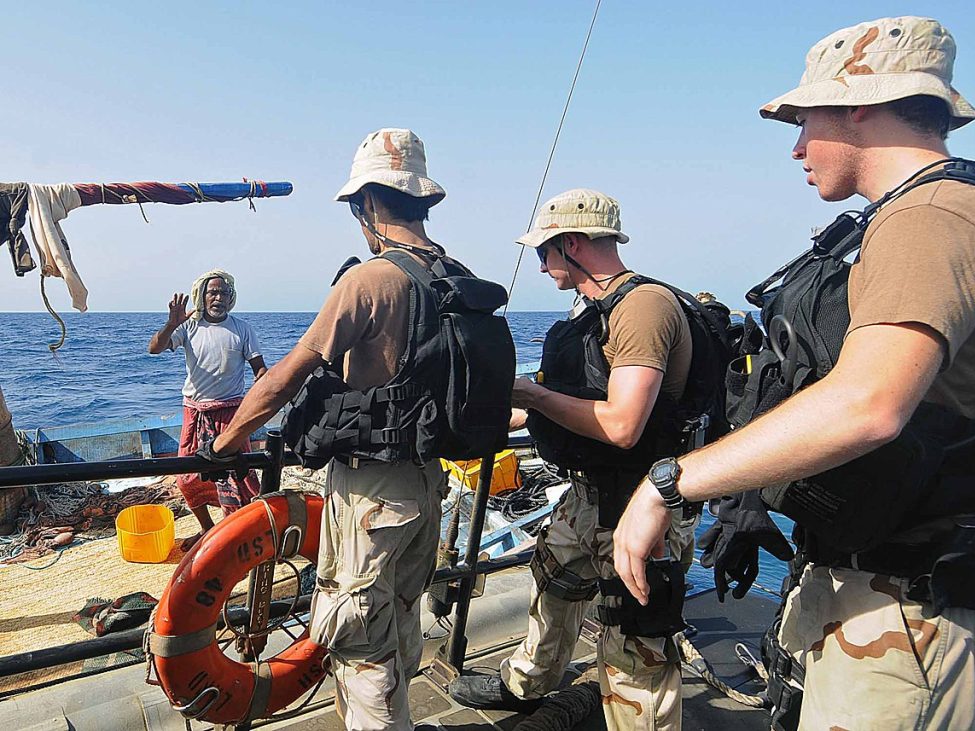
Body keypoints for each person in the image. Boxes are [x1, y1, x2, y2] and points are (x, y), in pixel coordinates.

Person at [613, 16, 975, 731]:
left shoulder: (934, 216)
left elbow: (867, 403)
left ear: (860, 103)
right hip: (881, 591)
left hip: (905, 618)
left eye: (805, 120)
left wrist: (668, 483)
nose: (798, 146)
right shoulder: (928, 212)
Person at [206, 128, 463, 731]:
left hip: (372, 493)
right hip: (429, 485)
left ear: (367, 204)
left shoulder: (370, 279)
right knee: (400, 622)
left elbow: (280, 382)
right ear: (422, 201)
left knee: (358, 644)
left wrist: (226, 442)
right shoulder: (453, 275)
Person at [450, 189, 705, 730]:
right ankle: (527, 683)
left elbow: (621, 424)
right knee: (554, 581)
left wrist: (532, 396)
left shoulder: (642, 307)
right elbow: (568, 402)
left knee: (635, 640)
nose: (541, 266)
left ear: (572, 244)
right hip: (587, 494)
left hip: (644, 503)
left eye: (544, 252)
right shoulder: (590, 313)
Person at [148, 269, 266, 551]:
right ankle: (207, 529)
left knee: (238, 478)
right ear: (202, 296)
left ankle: (238, 531)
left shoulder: (242, 329)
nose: (218, 298)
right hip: (196, 412)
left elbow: (260, 370)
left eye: (224, 293)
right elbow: (155, 348)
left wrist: (265, 395)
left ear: (231, 298)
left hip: (231, 412)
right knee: (187, 478)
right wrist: (170, 324)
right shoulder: (189, 327)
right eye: (212, 292)